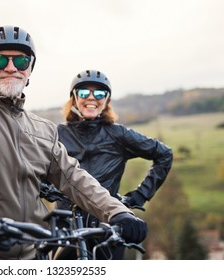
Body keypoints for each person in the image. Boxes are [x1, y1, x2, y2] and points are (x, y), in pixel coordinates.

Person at [0, 26, 147, 260]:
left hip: (37, 254)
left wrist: (118, 212)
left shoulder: (43, 129)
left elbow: (75, 178)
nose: (11, 68)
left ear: (30, 69)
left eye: (21, 61)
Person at [55, 69, 173, 259]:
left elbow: (164, 154)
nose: (91, 98)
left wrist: (138, 197)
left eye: (99, 93)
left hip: (109, 227)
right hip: (64, 226)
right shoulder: (57, 134)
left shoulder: (118, 134)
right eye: (84, 92)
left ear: (107, 100)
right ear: (74, 98)